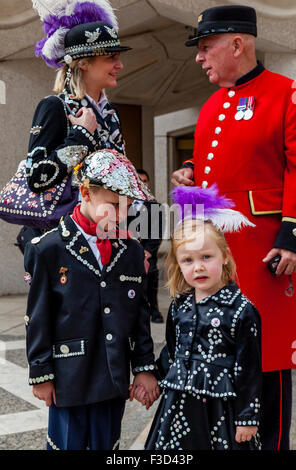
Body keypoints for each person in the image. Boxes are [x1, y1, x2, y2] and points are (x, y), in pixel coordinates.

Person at [171, 4, 296, 450]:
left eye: (206, 48)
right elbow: (219, 161)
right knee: (223, 355)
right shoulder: (209, 107)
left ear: (238, 44)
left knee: (266, 356)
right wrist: (189, 171)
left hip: (266, 249)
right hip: (219, 253)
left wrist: (293, 234)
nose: (199, 57)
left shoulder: (288, 93)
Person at [23, 148, 159, 450]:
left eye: (128, 206)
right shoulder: (48, 249)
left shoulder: (132, 250)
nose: (123, 215)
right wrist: (40, 373)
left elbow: (139, 314)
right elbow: (39, 317)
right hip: (69, 377)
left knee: (108, 444)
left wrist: (145, 367)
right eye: (114, 205)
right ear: (85, 193)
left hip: (112, 375)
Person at [141, 185, 262, 450]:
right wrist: (151, 378)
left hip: (221, 410)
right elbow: (172, 352)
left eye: (207, 257)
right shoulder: (179, 305)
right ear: (178, 264)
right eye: (188, 260)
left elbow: (249, 369)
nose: (198, 267)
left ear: (225, 256)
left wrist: (247, 417)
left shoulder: (242, 309)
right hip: (178, 406)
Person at [17, 0, 132, 247]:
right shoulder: (54, 106)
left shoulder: (110, 113)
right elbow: (36, 178)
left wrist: (138, 243)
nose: (119, 65)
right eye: (111, 58)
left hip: (106, 235)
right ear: (83, 62)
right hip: (62, 240)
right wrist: (80, 136)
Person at [128, 169, 164, 323]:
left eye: (145, 181)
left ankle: (154, 310)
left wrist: (148, 251)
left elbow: (157, 232)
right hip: (129, 252)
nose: (142, 183)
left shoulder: (155, 206)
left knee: (150, 282)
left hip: (148, 253)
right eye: (139, 180)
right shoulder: (124, 204)